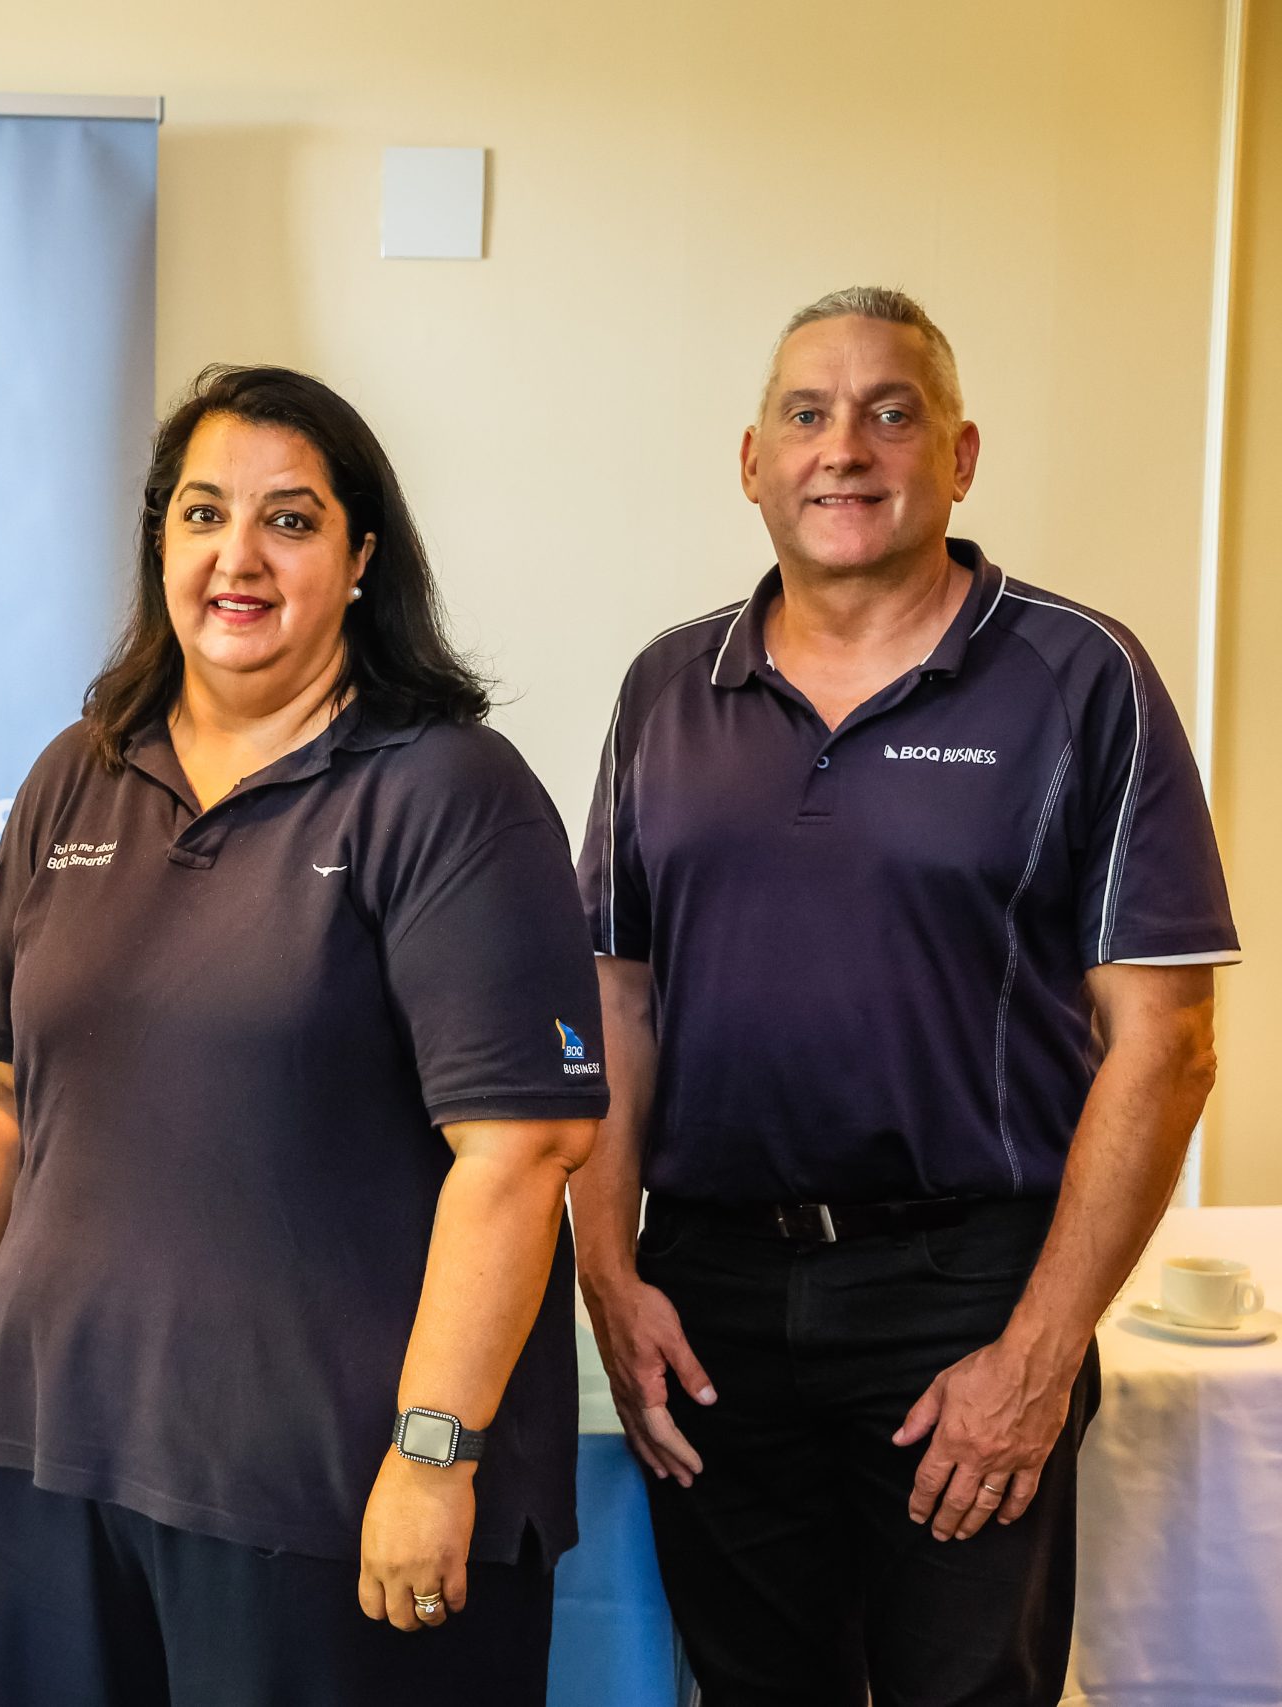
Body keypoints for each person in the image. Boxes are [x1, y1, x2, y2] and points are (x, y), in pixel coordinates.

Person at [0, 365, 608, 1704]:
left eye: (290, 520)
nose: (240, 557)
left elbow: (522, 1152)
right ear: (159, 541)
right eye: (204, 514)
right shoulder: (80, 770)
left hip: (328, 1491)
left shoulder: (449, 791)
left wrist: (434, 1454)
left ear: (361, 558)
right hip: (49, 1454)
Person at [571, 286, 1235, 1705]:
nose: (845, 448)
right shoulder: (665, 691)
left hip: (969, 1297)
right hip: (713, 1298)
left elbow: (1169, 1044)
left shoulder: (1080, 677)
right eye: (807, 415)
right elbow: (614, 999)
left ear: (960, 455)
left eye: (891, 413)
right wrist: (608, 1275)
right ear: (752, 461)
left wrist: (1040, 1355)